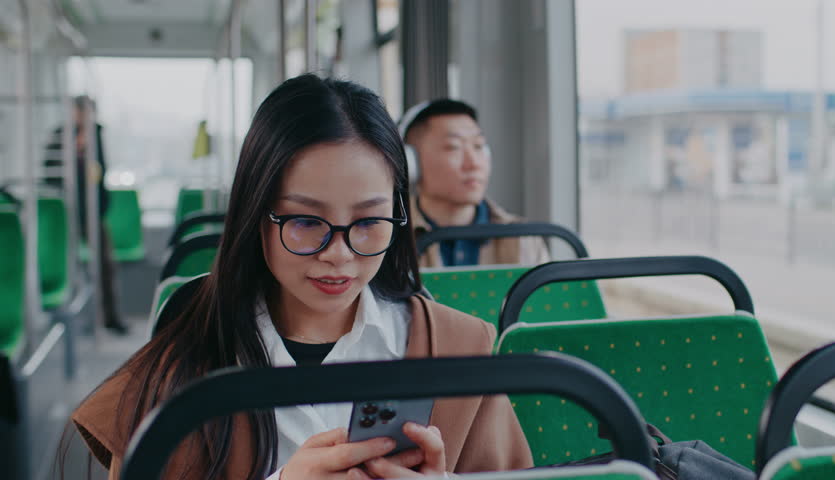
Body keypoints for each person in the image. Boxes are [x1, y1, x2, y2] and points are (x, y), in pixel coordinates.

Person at [67, 75, 532, 479]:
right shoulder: (188, 354)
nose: (339, 255)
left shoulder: (460, 348)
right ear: (256, 214)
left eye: (369, 223)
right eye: (307, 223)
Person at [399, 99, 549, 267]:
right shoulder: (391, 236)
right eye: (453, 147)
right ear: (411, 163)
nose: (474, 163)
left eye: (478, 146)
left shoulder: (522, 238)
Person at [44, 95, 129, 335]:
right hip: (66, 212)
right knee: (66, 266)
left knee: (105, 264)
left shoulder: (96, 136)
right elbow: (49, 174)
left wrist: (101, 206)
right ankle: (72, 320)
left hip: (93, 214)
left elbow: (100, 173)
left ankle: (109, 318)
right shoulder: (61, 136)